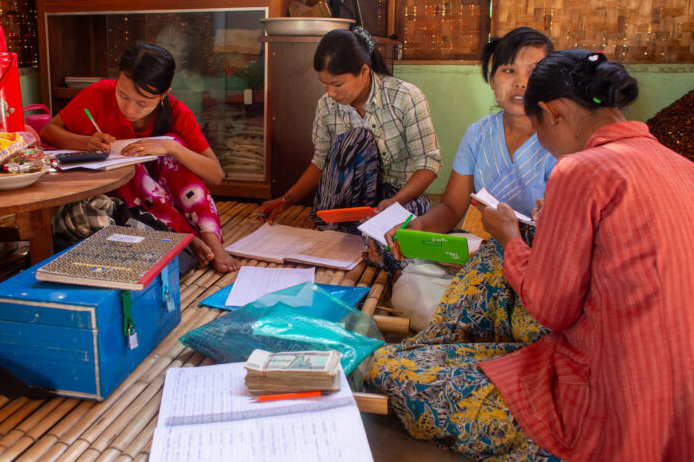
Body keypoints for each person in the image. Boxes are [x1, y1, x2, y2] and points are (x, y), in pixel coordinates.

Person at [366, 50, 694, 461]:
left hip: (609, 399)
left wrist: (509, 237)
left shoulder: (579, 170)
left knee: (390, 369)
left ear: (552, 113)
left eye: (538, 128)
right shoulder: (682, 166)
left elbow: (552, 310)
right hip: (679, 396)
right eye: (508, 70)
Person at [383, 27, 556, 336]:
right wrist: (417, 230)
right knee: (410, 289)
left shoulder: (560, 138)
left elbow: (564, 235)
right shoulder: (478, 134)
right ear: (492, 78)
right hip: (476, 252)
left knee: (539, 312)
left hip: (535, 265)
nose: (521, 82)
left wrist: (498, 254)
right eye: (508, 70)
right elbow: (451, 207)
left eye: (534, 71)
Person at [41, 41, 240, 273]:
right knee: (129, 166)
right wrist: (84, 142)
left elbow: (215, 174)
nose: (129, 109)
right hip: (127, 202)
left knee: (175, 144)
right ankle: (184, 237)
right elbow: (49, 131)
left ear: (164, 94)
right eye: (122, 95)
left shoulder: (177, 112)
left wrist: (170, 148)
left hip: (171, 197)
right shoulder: (98, 94)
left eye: (142, 102)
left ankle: (210, 239)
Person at [256, 27, 441, 270]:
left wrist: (394, 202)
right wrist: (286, 200)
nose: (330, 93)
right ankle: (338, 224)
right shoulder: (327, 106)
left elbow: (429, 163)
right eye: (324, 84)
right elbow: (320, 162)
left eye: (337, 84)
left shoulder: (405, 97)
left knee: (389, 240)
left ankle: (351, 230)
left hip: (400, 196)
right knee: (354, 140)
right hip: (351, 201)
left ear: (363, 71)